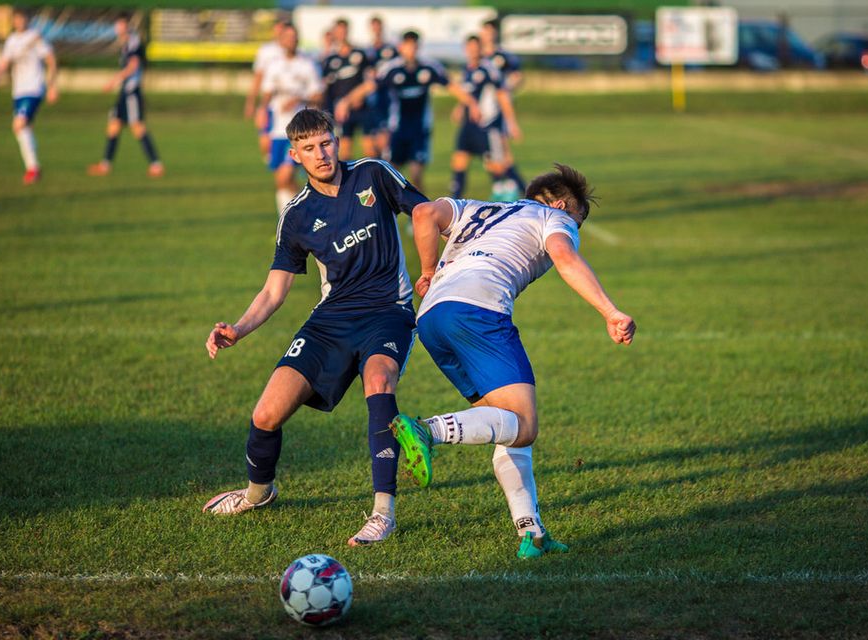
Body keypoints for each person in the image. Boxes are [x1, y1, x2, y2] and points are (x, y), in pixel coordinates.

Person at [202, 109, 427, 548]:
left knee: (379, 381)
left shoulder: (374, 175)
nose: (321, 154)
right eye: (309, 148)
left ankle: (384, 512)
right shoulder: (297, 215)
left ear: (336, 141)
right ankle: (258, 494)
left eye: (326, 143)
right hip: (331, 319)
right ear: (295, 155)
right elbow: (274, 291)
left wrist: (435, 266)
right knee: (266, 414)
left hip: (388, 311)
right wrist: (239, 329)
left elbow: (427, 212)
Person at [391, 164, 636, 558]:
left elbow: (423, 213)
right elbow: (565, 258)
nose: (575, 230)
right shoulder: (553, 217)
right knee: (523, 424)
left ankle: (532, 534)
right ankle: (427, 431)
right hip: (479, 311)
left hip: (433, 318)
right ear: (560, 204)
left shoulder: (477, 207)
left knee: (505, 426)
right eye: (578, 220)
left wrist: (427, 271)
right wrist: (610, 312)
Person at [336, 31, 481, 192]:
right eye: (407, 46)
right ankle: (388, 213)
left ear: (418, 47)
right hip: (397, 129)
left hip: (420, 129)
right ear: (401, 47)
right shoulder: (392, 69)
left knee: (416, 174)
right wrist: (346, 101)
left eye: (414, 46)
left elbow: (452, 86)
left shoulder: (429, 68)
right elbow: (369, 86)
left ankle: (419, 213)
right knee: (389, 174)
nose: (411, 50)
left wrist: (472, 103)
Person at [257, 23, 323, 215]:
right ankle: (289, 223)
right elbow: (268, 93)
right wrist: (262, 111)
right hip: (278, 129)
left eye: (294, 37)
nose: (291, 41)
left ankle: (309, 211)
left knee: (285, 176)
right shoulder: (274, 66)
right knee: (280, 180)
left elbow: (318, 96)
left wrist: (299, 99)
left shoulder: (307, 65)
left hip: (299, 131)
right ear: (281, 40)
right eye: (287, 37)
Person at [87, 13, 164, 178]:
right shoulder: (125, 43)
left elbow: (134, 66)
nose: (118, 28)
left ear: (128, 25)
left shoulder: (133, 42)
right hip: (124, 92)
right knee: (114, 125)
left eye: (121, 25)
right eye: (117, 25)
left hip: (131, 92)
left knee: (137, 127)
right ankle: (105, 165)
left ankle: (156, 165)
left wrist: (114, 80)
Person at [0, 9, 58, 185]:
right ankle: (34, 169)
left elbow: (51, 60)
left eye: (23, 18)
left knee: (19, 124)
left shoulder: (35, 37)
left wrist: (52, 86)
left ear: (28, 19)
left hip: (33, 89)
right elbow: (5, 62)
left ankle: (33, 168)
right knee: (24, 129)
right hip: (18, 91)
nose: (20, 22)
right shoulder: (12, 40)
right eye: (17, 19)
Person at [449, 35, 522, 201]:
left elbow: (502, 94)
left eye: (476, 48)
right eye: (469, 48)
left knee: (498, 164)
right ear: (465, 49)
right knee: (459, 161)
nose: (472, 51)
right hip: (468, 124)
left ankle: (523, 192)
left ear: (481, 49)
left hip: (487, 124)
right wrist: (460, 107)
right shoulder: (466, 69)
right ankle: (454, 203)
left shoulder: (489, 69)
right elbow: (469, 93)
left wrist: (511, 123)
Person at [479, 19, 527, 200]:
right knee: (490, 157)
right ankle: (505, 187)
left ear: (495, 34)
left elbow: (518, 77)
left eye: (491, 32)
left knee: (501, 155)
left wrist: (505, 88)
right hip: (481, 113)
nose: (488, 35)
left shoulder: (503, 56)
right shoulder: (479, 56)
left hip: (497, 111)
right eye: (485, 32)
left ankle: (521, 191)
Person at [322, 18, 377, 160]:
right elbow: (327, 88)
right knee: (344, 151)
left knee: (370, 150)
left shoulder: (360, 54)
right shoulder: (330, 59)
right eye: (338, 32)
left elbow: (370, 83)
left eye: (344, 31)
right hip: (342, 111)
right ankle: (349, 182)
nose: (342, 35)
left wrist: (352, 99)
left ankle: (374, 180)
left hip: (362, 107)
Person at [246, 19, 287, 162]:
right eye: (278, 29)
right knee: (265, 136)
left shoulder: (295, 51)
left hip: (288, 104)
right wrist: (251, 102)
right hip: (269, 101)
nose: (280, 32)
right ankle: (272, 162)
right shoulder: (267, 50)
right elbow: (258, 76)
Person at [363, 15, 399, 161]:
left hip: (386, 99)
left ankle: (387, 174)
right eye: (374, 27)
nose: (376, 30)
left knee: (385, 142)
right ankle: (376, 178)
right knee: (370, 146)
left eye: (379, 27)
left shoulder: (391, 50)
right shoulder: (367, 51)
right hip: (371, 100)